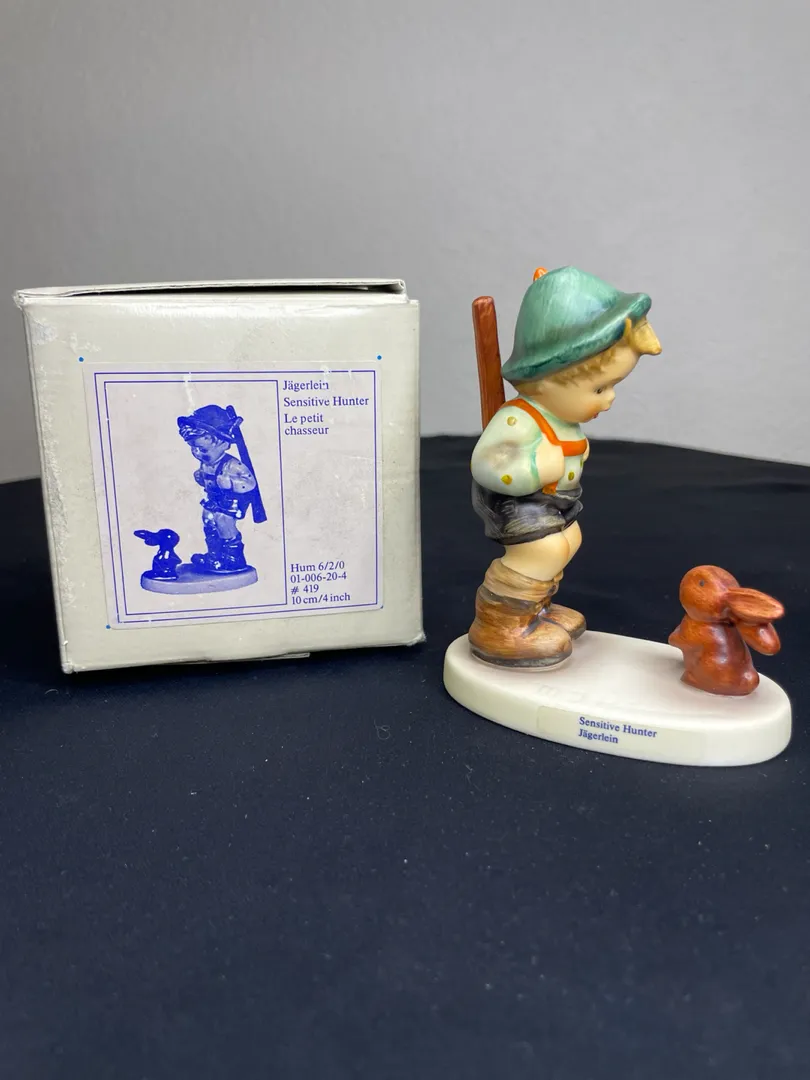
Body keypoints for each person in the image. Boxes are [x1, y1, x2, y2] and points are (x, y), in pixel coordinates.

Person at [469, 266, 662, 667]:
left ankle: (533, 609)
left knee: (568, 541)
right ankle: (498, 624)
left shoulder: (562, 418)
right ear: (546, 381)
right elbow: (487, 464)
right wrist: (534, 468)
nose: (609, 399)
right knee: (545, 549)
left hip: (555, 502)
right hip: (517, 503)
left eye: (613, 386)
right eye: (599, 388)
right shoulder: (519, 418)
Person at [177, 405, 259, 574]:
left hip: (230, 502)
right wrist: (201, 477)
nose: (197, 453)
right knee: (208, 521)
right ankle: (214, 555)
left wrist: (231, 483)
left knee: (223, 522)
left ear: (222, 443)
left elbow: (250, 483)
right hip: (213, 500)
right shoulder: (207, 464)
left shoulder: (233, 465)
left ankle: (233, 557)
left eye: (203, 449)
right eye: (193, 448)